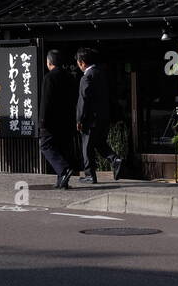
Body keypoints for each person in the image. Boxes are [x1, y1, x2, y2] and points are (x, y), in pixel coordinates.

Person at [75, 48, 123, 184]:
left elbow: (83, 100)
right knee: (100, 143)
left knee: (87, 147)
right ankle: (115, 159)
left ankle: (90, 175)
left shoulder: (87, 77)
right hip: (104, 117)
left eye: (78, 62)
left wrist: (79, 119)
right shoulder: (102, 74)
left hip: (91, 120)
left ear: (82, 63)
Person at [37, 50, 76, 189]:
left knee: (45, 146)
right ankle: (62, 181)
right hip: (67, 120)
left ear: (49, 62)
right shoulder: (70, 77)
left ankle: (64, 170)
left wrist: (42, 121)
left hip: (51, 121)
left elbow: (46, 101)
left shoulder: (49, 77)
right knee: (61, 148)